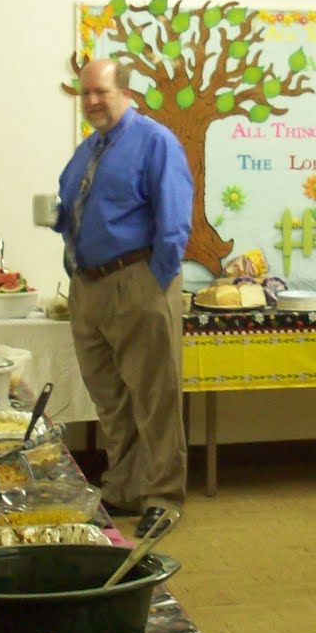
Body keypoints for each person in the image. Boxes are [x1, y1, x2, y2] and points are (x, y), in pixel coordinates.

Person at [52, 58, 193, 538]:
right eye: (85, 92)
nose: (91, 101)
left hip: (136, 281)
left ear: (125, 92)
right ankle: (125, 486)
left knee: (154, 393)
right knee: (110, 397)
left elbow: (174, 222)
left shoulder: (155, 142)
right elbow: (74, 202)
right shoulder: (88, 149)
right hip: (87, 286)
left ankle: (163, 496)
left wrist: (155, 284)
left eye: (100, 92)